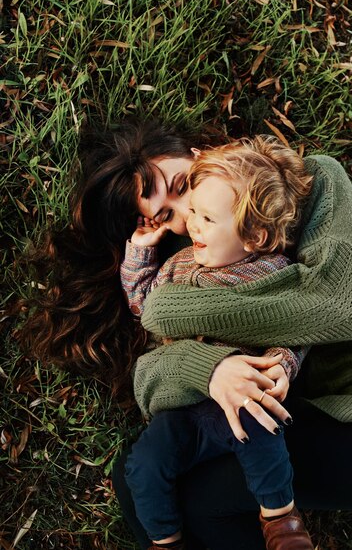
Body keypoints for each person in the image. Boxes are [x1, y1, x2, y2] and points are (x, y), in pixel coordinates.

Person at [21, 119, 352, 550]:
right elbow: (151, 380)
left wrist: (168, 310)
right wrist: (212, 369)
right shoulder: (196, 259)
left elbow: (336, 310)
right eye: (169, 214)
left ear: (201, 153)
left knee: (202, 497)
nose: (188, 210)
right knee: (137, 477)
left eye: (182, 183)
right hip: (298, 414)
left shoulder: (315, 181)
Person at [119, 136, 314, 550]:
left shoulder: (270, 272)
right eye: (175, 215)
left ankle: (281, 522)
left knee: (264, 430)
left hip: (242, 396)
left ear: (255, 236)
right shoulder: (178, 264)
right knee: (144, 465)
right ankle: (164, 539)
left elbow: (292, 330)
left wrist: (281, 363)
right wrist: (139, 253)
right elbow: (145, 307)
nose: (190, 222)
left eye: (206, 218)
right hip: (183, 403)